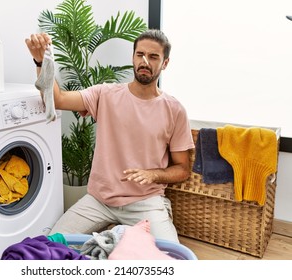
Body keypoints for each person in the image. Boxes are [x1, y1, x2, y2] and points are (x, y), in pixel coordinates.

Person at [25, 29, 194, 243]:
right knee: (51, 246)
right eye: (140, 54)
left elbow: (182, 168)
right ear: (133, 57)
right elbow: (58, 99)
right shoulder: (105, 94)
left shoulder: (174, 109)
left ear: (165, 63)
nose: (145, 61)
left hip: (146, 201)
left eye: (153, 57)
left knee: (171, 259)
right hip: (99, 200)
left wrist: (153, 174)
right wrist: (41, 62)